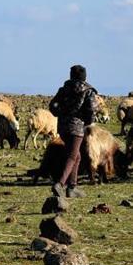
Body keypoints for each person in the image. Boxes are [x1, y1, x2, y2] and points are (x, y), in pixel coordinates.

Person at [48, 65, 98, 198]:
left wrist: (60, 114)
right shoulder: (88, 91)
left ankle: (72, 187)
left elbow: (52, 105)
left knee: (77, 156)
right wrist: (87, 121)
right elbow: (92, 109)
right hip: (77, 127)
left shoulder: (64, 89)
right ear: (84, 76)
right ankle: (60, 184)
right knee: (72, 155)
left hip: (63, 126)